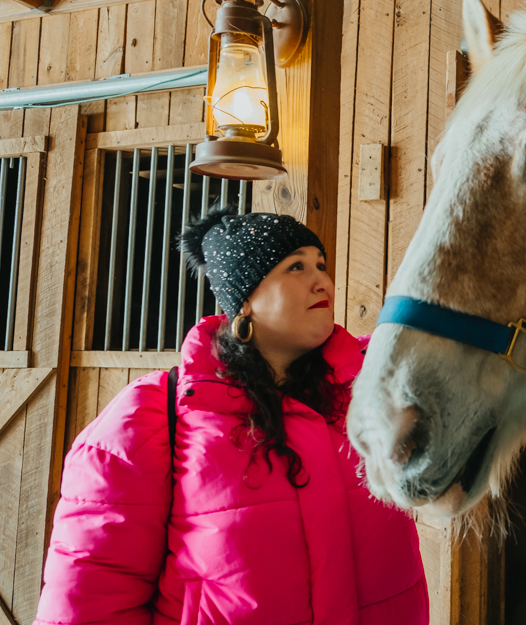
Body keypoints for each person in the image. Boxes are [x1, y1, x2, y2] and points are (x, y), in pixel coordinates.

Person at [35, 208, 428, 625]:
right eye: (295, 266)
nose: (322, 281)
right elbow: (90, 596)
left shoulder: (369, 385)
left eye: (321, 264)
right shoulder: (153, 415)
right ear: (245, 300)